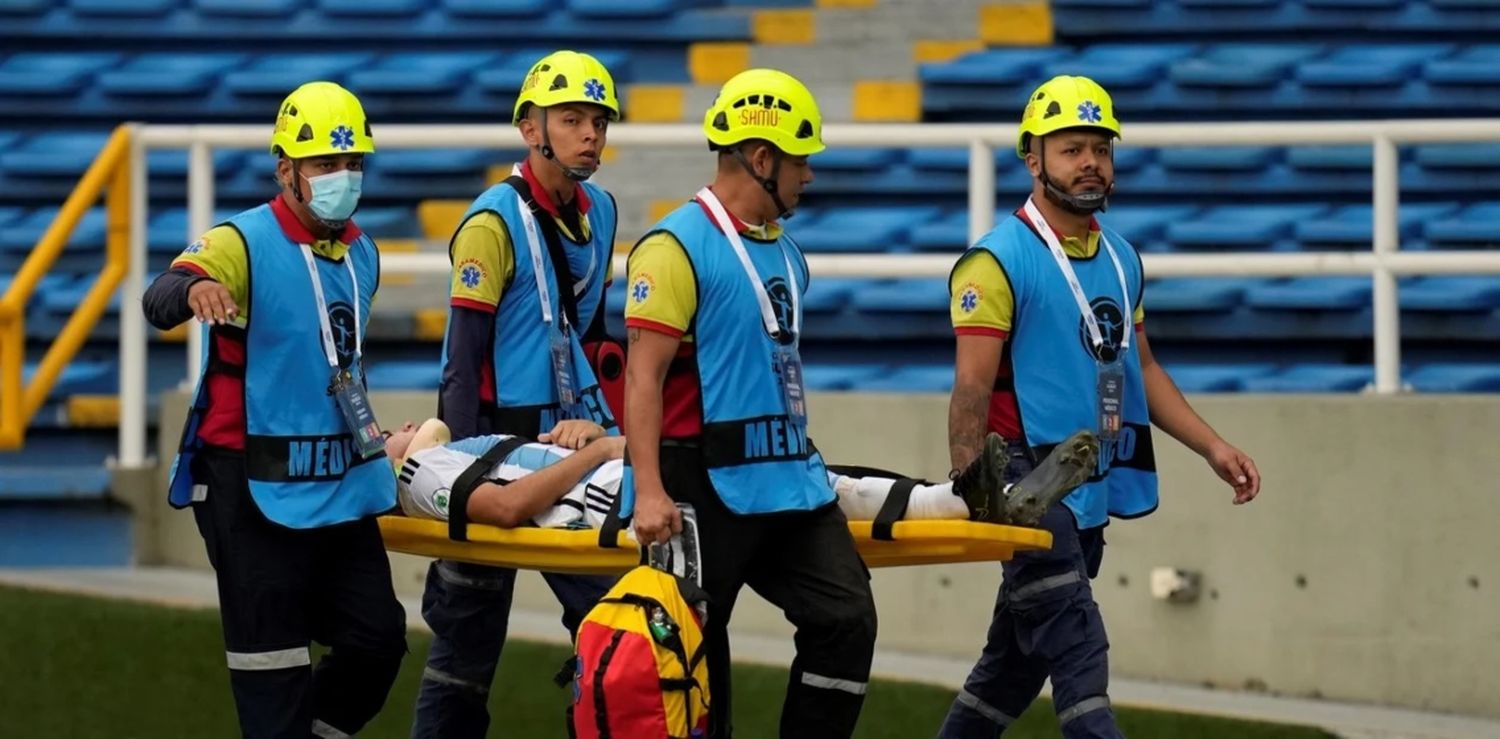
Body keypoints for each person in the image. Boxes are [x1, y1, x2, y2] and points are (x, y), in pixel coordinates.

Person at [938, 75, 1263, 738]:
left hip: (1089, 489)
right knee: (1080, 653)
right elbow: (970, 391)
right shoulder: (995, 263)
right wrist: (977, 486)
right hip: (1026, 487)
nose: (1091, 161)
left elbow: (1140, 368)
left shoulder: (1121, 258)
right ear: (1033, 159)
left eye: (1101, 148)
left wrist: (1212, 445)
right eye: (1071, 148)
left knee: (1010, 669)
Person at [141, 81, 406, 739]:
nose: (342, 178)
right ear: (285, 168)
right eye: (324, 164)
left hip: (339, 482)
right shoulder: (242, 240)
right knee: (274, 673)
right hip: (247, 484)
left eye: (353, 164)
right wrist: (197, 287)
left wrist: (376, 443)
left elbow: (337, 368)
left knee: (378, 642)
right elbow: (160, 295)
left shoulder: (363, 253)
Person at [412, 49, 623, 739]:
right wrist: (463, 478)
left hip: (572, 449)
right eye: (572, 119)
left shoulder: (605, 212)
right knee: (465, 652)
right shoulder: (489, 225)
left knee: (618, 625)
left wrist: (597, 429)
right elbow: (462, 362)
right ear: (531, 129)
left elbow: (591, 344)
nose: (590, 133)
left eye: (598, 120)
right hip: (497, 449)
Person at [384, 418, 1100, 531]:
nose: (396, 428)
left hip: (619, 469)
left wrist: (583, 431)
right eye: (384, 434)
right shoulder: (420, 471)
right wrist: (599, 452)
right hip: (621, 494)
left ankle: (968, 500)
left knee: (804, 469)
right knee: (792, 473)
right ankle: (965, 501)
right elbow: (505, 509)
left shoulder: (469, 441)